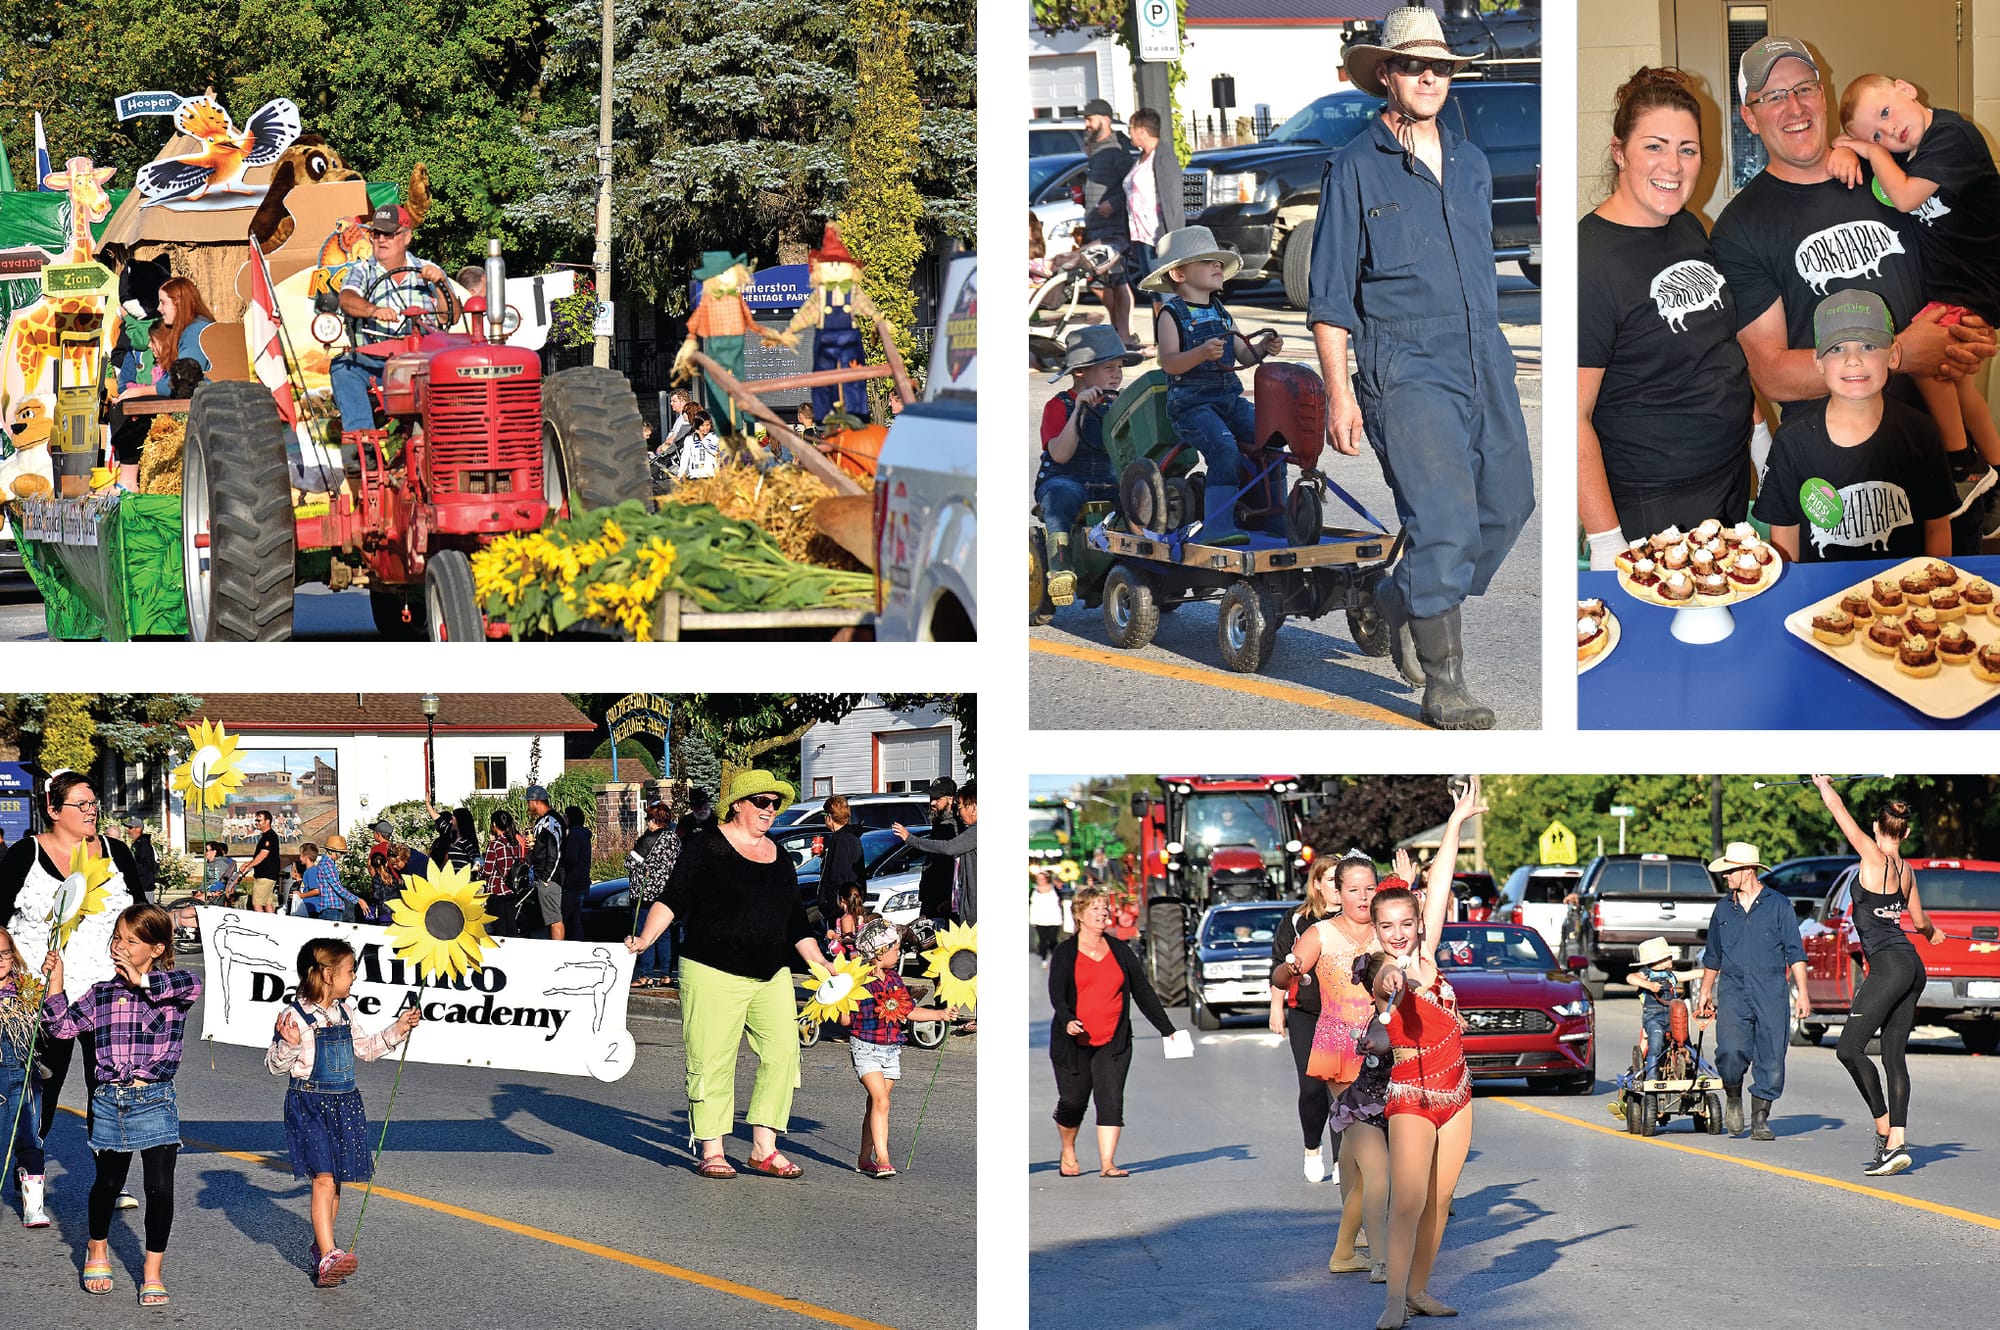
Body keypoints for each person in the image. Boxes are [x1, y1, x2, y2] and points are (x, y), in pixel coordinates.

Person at [1309, 8, 1534, 730]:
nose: (1430, 76)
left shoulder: (1472, 164)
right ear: (1387, 75)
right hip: (1402, 360)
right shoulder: (1353, 165)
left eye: (1440, 66)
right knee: (1442, 521)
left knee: (1508, 504)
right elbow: (1330, 297)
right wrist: (1340, 393)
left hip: (1483, 351)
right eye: (1414, 65)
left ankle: (1398, 597)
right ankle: (1445, 682)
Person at [1711, 35, 1998, 545]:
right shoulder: (1741, 227)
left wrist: (1972, 327)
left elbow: (1963, 246)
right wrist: (1901, 354)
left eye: (1804, 88)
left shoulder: (1890, 172)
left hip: (1942, 472)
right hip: (1836, 488)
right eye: (1773, 96)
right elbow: (1773, 374)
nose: (1794, 107)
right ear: (1749, 117)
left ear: (1824, 96)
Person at [1579, 67, 1760, 555]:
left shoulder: (1688, 226)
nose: (1673, 166)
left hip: (1726, 476)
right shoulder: (1588, 261)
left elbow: (1717, 343)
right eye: (1654, 146)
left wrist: (1759, 432)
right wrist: (1604, 537)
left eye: (1688, 149)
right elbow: (1573, 416)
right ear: (1620, 152)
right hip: (1652, 501)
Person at [625, 771, 834, 1178]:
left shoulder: (778, 856)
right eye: (762, 802)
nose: (770, 810)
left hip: (771, 973)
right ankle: (713, 1149)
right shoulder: (705, 846)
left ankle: (764, 1148)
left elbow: (794, 921)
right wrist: (647, 938)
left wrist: (818, 961)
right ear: (738, 803)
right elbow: (673, 898)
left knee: (783, 1054)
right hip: (711, 969)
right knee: (712, 1060)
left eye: (775, 804)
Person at [1835, 73, 2000, 486]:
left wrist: (1870, 150)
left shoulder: (1950, 135)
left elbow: (1905, 197)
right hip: (1955, 283)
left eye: (1887, 112)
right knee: (1958, 380)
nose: (1889, 130)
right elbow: (1881, 182)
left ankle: (1961, 461)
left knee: (1928, 365)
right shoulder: (1905, 148)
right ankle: (1997, 465)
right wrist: (1849, 152)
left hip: (1977, 280)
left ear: (1907, 88)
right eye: (1877, 131)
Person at [41, 903, 201, 1306]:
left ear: (157, 948)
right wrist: (55, 983)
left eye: (133, 940)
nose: (121, 946)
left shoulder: (172, 989)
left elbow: (193, 982)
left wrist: (144, 980)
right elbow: (61, 1027)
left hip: (156, 1097)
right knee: (108, 1184)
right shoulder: (101, 993)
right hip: (111, 1099)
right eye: (118, 937)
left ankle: (152, 1272)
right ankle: (97, 1247)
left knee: (160, 1189)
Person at [1367, 779, 1481, 1329]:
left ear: (1416, 924)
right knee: (1408, 1203)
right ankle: (1393, 1302)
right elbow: (1387, 979)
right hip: (1411, 1095)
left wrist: (1456, 823)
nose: (1396, 934)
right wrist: (1391, 989)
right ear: (1376, 929)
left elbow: (1438, 885)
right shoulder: (1378, 965)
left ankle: (1418, 1289)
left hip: (1456, 1092)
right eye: (1386, 926)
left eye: (1404, 925)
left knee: (1440, 1201)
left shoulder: (1428, 951)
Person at [0, 772, 139, 1173]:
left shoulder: (116, 852)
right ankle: (31, 1174)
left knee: (109, 1090)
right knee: (40, 1088)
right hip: (42, 995)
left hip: (109, 996)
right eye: (81, 804)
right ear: (53, 810)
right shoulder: (26, 854)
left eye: (93, 803)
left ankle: (109, 1181)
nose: (90, 810)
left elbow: (140, 916)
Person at [1753, 288, 1954, 562]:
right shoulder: (1792, 441)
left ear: (1893, 355)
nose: (1853, 360)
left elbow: (1937, 530)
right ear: (1819, 362)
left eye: (1868, 346)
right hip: (1821, 598)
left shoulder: (1921, 433)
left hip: (1903, 596)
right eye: (1837, 349)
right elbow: (1785, 543)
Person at [268, 937, 421, 1286]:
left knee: (335, 1182)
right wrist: (288, 1046)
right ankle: (329, 1251)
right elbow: (275, 1066)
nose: (354, 978)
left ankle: (322, 1251)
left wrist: (398, 1028)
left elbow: (365, 1050)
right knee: (322, 1178)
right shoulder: (295, 1016)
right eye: (350, 971)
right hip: (310, 1105)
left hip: (345, 1102)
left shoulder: (345, 1012)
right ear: (326, 974)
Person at [1813, 777, 1942, 1176]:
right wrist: (1934, 933)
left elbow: (1838, 812)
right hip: (1911, 964)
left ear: (1877, 827)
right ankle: (1897, 1144)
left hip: (1889, 965)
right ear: (1905, 832)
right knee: (1892, 1056)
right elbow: (1919, 921)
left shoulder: (1871, 856)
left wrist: (1822, 783)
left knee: (1848, 1049)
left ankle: (1886, 1133)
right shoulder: (1906, 870)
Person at [1142, 226, 1285, 545]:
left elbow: (1243, 355)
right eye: (1207, 261)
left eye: (1219, 261)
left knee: (1271, 441)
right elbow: (1169, 363)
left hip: (1228, 400)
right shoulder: (1171, 314)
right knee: (1223, 448)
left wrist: (1262, 348)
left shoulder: (1221, 312)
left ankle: (1275, 515)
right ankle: (1217, 525)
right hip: (1192, 405)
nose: (1217, 266)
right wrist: (1200, 353)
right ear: (1179, 274)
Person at [1288, 853, 1390, 1277]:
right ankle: (1375, 1250)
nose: (1363, 896)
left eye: (1370, 888)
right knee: (1370, 1153)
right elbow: (1287, 972)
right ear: (1338, 892)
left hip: (1382, 1050)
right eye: (1353, 889)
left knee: (1352, 1151)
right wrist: (1289, 973)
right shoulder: (1320, 933)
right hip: (1338, 1049)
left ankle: (1350, 1245)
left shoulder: (1389, 931)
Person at [1047, 882, 1179, 1178]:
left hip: (1113, 1040)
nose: (1104, 912)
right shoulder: (1066, 952)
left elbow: (1143, 992)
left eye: (1105, 907)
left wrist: (1166, 1029)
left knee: (1111, 1099)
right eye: (1096, 908)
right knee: (1073, 1102)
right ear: (1080, 914)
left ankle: (1108, 1163)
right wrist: (1068, 1018)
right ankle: (1068, 1150)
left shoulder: (1120, 950)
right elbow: (1057, 993)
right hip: (1073, 1041)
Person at [1696, 841, 1810, 1143]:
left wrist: (1803, 994)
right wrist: (1705, 991)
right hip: (1733, 989)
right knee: (1730, 1052)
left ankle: (1760, 1117)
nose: (1725, 876)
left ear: (1748, 871)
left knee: (1772, 1056)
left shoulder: (1779, 905)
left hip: (1770, 989)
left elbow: (1795, 952)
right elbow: (1712, 956)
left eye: (1730, 870)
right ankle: (1733, 1094)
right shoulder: (1722, 909)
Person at [843, 918, 957, 1178]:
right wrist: (838, 1002)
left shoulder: (894, 979)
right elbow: (846, 1020)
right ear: (879, 952)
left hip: (891, 1049)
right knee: (882, 1101)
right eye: (894, 949)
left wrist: (939, 1014)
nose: (898, 953)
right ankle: (883, 1159)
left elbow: (909, 1011)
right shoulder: (856, 980)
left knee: (876, 1104)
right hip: (865, 1046)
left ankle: (864, 1158)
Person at [1037, 326, 1142, 605]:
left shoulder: (1118, 404)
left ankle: (1154, 563)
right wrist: (1080, 411)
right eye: (1108, 367)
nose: (1117, 373)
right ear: (1080, 371)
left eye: (1119, 366)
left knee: (1144, 495)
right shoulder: (1059, 405)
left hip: (1109, 479)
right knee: (1060, 494)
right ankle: (1060, 568)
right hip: (1068, 477)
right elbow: (1059, 454)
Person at [331, 203, 456, 437]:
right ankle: (365, 443)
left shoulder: (429, 270)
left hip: (425, 361)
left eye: (388, 233)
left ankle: (455, 436)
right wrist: (373, 310)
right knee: (343, 367)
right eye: (375, 233)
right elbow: (347, 299)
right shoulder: (362, 271)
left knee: (459, 367)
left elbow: (452, 315)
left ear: (406, 237)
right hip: (378, 362)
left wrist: (440, 285)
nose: (380, 239)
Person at [1266, 858, 1340, 1183]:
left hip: (1343, 1014)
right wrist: (1276, 1008)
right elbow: (1279, 964)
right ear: (1318, 884)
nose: (1338, 886)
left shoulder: (1355, 918)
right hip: (1306, 1013)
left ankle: (1343, 1160)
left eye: (1343, 879)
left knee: (1339, 1088)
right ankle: (1312, 1147)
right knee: (1311, 1088)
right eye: (1332, 880)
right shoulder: (1298, 919)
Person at [110, 276, 217, 486]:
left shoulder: (194, 331)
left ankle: (128, 483)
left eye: (163, 302)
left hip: (198, 399)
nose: (159, 309)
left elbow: (182, 378)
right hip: (199, 395)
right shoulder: (197, 327)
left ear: (179, 302)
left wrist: (138, 392)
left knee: (125, 407)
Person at [0, 923, 49, 1227]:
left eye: (4, 953)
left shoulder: (26, 990)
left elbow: (49, 1017)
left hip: (25, 1077)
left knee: (31, 1139)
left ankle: (34, 1206)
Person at [1080, 97, 1137, 348]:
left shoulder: (1117, 150)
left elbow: (1132, 185)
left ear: (1104, 119)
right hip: (1095, 225)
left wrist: (1113, 203)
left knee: (1117, 278)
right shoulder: (1096, 148)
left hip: (1113, 227)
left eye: (1089, 119)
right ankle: (1118, 331)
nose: (1086, 124)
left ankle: (1122, 334)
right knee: (1103, 281)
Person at [1123, 107, 1183, 327]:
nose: (1129, 134)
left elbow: (1173, 198)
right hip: (1140, 233)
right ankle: (1162, 340)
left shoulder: (1163, 156)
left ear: (1141, 131)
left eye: (1131, 129)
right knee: (1154, 291)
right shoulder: (1142, 157)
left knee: (1166, 289)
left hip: (1157, 235)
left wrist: (1172, 238)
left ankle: (1174, 340)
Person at [894, 782, 977, 925]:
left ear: (973, 808)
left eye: (961, 807)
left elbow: (949, 848)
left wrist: (910, 839)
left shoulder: (972, 831)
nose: (959, 812)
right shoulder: (961, 827)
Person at [1626, 937, 1697, 1079]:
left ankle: (1689, 1065)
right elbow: (1631, 978)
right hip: (1654, 1017)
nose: (1671, 959)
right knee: (1656, 1041)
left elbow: (1692, 974)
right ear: (1657, 962)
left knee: (1684, 1039)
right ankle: (1652, 1074)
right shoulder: (1646, 974)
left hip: (1672, 1016)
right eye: (1668, 957)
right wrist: (1650, 986)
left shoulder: (1671, 975)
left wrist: (1712, 971)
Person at [629, 803, 681, 989]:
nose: (647, 823)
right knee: (663, 934)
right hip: (665, 894)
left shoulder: (649, 839)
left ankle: (646, 974)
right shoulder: (674, 838)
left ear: (654, 820)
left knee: (645, 932)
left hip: (646, 893)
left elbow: (631, 862)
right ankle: (666, 974)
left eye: (648, 819)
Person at [914, 778, 963, 925]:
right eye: (931, 798)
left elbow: (954, 865)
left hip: (943, 902)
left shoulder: (951, 826)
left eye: (937, 799)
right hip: (931, 899)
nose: (932, 802)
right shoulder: (939, 823)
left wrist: (950, 899)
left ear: (950, 799)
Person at [816, 796, 868, 933]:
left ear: (829, 817)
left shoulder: (841, 839)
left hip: (841, 908)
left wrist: (830, 904)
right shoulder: (849, 837)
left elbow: (838, 875)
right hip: (848, 904)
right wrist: (824, 856)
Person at [524, 787, 567, 941]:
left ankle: (558, 954)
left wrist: (546, 878)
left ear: (536, 801)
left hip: (550, 877)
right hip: (543, 874)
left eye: (529, 802)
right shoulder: (543, 821)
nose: (528, 806)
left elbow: (555, 851)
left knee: (554, 919)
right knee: (549, 919)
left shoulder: (551, 821)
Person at [480, 809, 528, 938]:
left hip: (497, 891)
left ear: (494, 825)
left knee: (499, 930)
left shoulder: (494, 845)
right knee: (511, 927)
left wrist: (480, 871)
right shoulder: (516, 843)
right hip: (512, 889)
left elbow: (488, 871)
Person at [559, 806, 593, 941]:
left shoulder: (574, 835)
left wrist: (561, 862)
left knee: (571, 919)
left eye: (565, 816)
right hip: (583, 881)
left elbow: (571, 858)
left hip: (573, 882)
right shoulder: (584, 835)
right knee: (577, 918)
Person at [244, 810, 282, 913]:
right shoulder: (267, 836)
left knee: (257, 905)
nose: (256, 822)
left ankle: (261, 928)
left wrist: (249, 866)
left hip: (265, 876)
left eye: (259, 820)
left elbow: (263, 854)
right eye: (256, 820)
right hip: (269, 875)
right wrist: (248, 863)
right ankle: (272, 926)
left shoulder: (269, 836)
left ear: (267, 821)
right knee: (268, 903)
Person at [120, 815, 158, 904]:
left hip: (144, 885)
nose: (128, 830)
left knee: (145, 913)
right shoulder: (137, 844)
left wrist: (130, 872)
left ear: (138, 829)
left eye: (130, 828)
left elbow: (145, 865)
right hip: (138, 885)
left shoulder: (143, 844)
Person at [1031, 871, 1064, 965]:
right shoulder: (1033, 890)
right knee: (1042, 940)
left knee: (1053, 939)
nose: (1040, 881)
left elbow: (1060, 901)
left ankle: (1055, 957)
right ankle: (1044, 958)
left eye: (1042, 878)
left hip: (1053, 918)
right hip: (1039, 919)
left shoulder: (1054, 889)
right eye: (1038, 879)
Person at [676, 411, 721, 480]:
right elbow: (685, 457)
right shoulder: (690, 439)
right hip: (695, 476)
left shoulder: (714, 437)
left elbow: (714, 452)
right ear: (697, 426)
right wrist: (680, 473)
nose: (705, 428)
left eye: (707, 425)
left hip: (711, 475)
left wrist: (702, 437)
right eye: (702, 425)